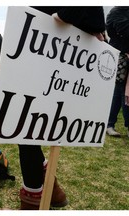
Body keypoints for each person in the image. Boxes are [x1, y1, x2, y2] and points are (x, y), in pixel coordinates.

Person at [18, 6, 106, 210]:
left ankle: (35, 200)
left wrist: (66, 13)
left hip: (60, 36)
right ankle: (49, 188)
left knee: (26, 123)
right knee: (28, 120)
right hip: (54, 36)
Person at [105, 7, 129, 138]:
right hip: (120, 55)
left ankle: (110, 123)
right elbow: (124, 29)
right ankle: (111, 124)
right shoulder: (117, 11)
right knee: (121, 90)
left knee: (121, 91)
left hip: (123, 54)